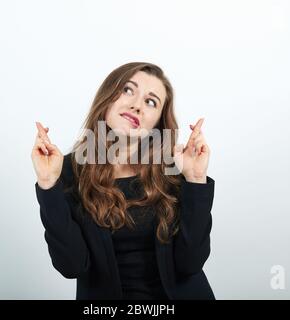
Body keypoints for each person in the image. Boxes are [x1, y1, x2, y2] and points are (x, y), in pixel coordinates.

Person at [31, 62, 215, 300]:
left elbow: (191, 263)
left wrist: (196, 179)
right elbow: (71, 266)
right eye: (128, 90)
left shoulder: (175, 170)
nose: (137, 105)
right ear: (108, 97)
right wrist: (48, 184)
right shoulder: (66, 170)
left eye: (151, 102)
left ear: (157, 123)